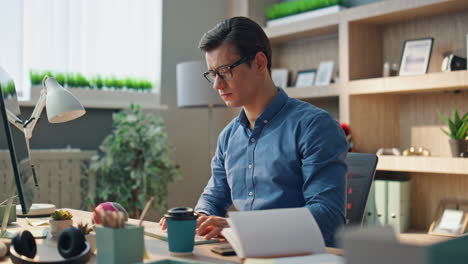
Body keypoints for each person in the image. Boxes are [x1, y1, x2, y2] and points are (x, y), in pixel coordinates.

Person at [160, 16, 348, 247]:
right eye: (212, 74)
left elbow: (328, 215)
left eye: (225, 71)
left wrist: (239, 228)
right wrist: (199, 217)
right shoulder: (228, 137)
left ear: (259, 63)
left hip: (304, 255)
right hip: (247, 252)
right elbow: (215, 195)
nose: (217, 85)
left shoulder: (314, 126)